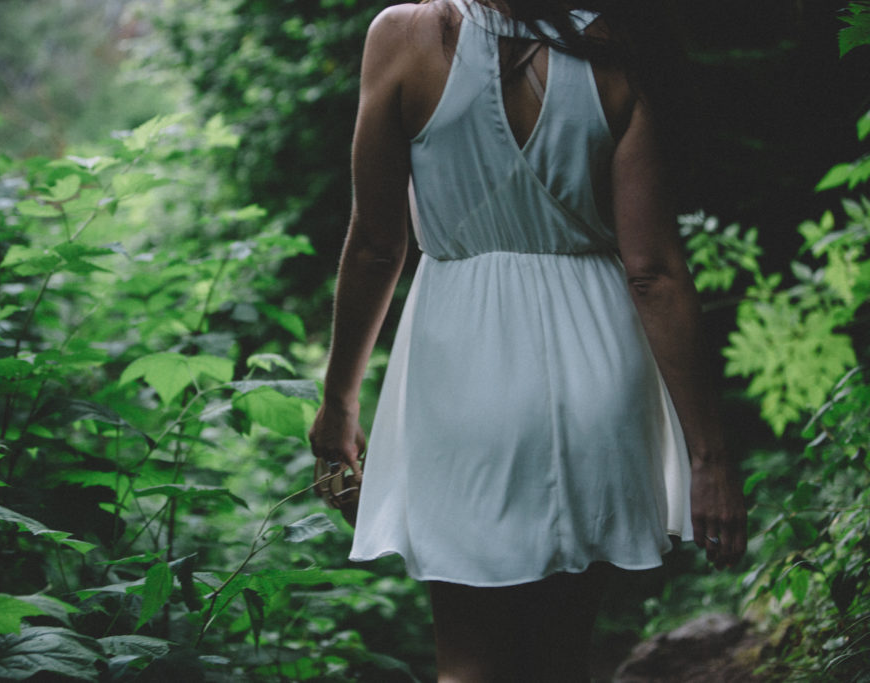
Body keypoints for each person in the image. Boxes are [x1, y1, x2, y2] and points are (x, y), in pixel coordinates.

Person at [308, 1, 748, 680]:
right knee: (562, 656)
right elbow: (655, 271)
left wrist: (339, 401)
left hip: (464, 373)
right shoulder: (618, 46)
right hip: (600, 372)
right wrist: (709, 455)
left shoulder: (405, 37)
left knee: (471, 660)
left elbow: (374, 246)